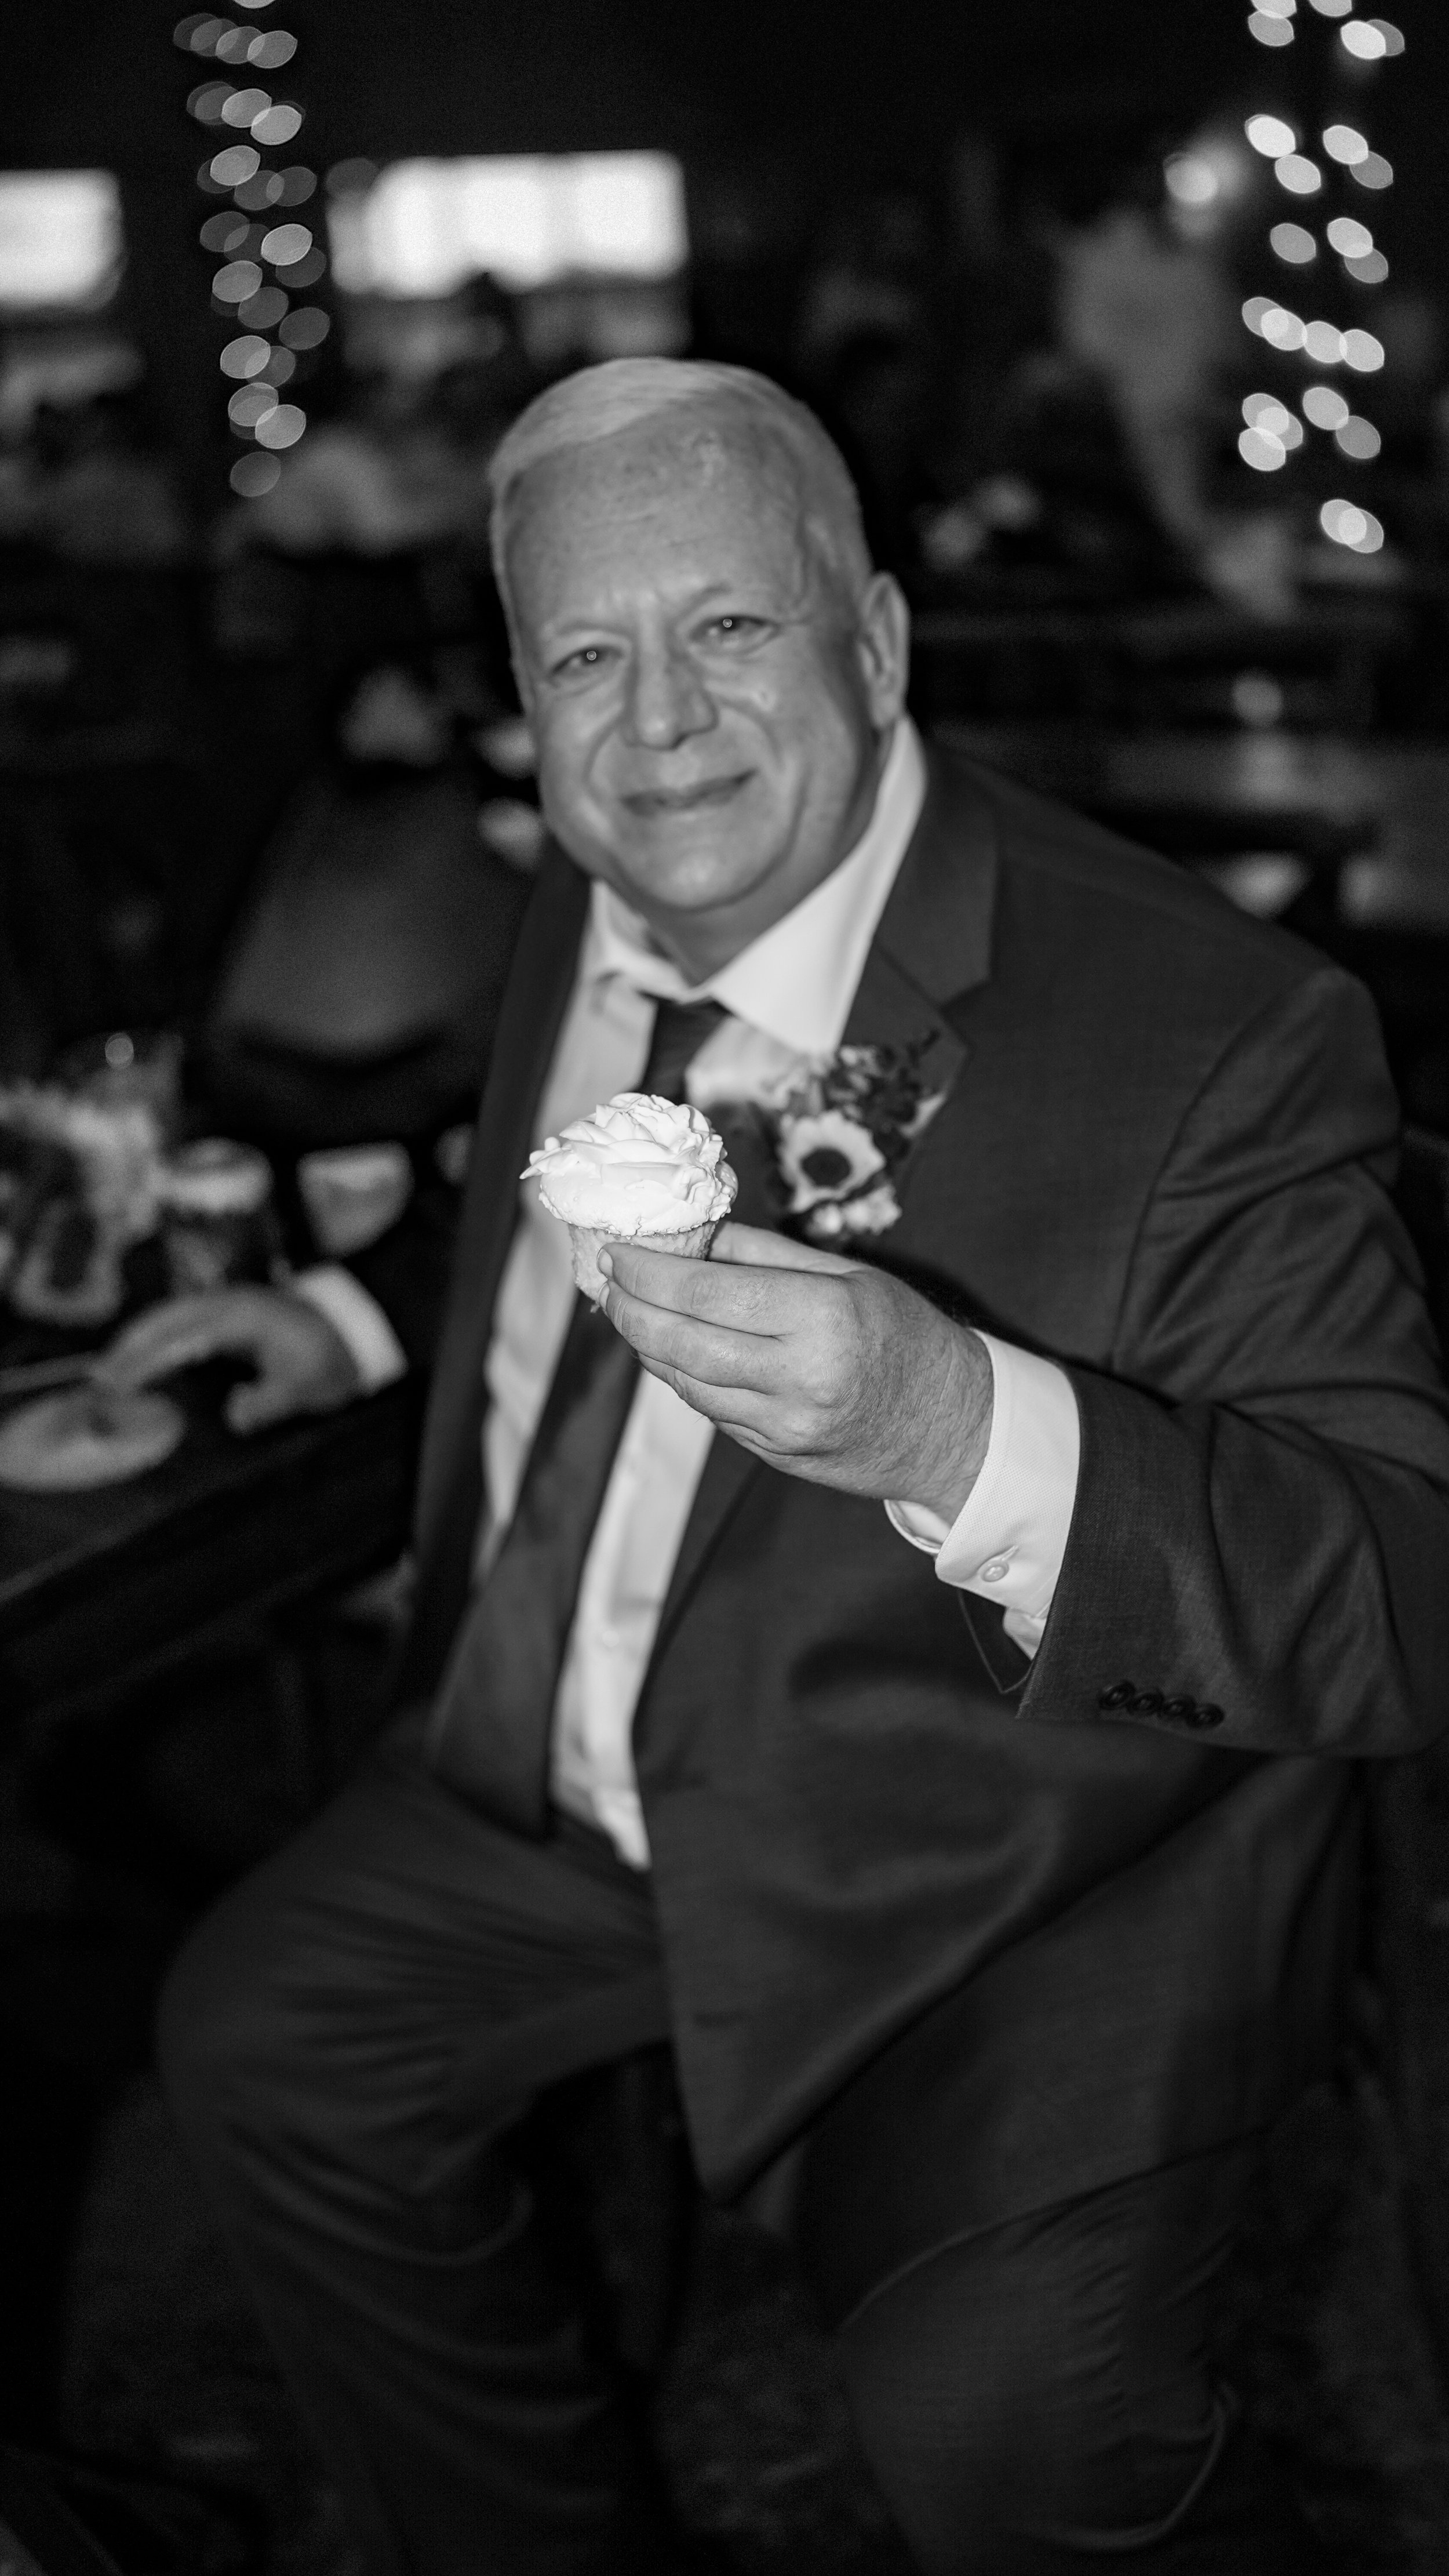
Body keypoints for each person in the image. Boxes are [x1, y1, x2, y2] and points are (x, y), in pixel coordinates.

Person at [103, 358, 1449, 2576]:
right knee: (259, 2042)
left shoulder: (1220, 1030)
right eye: (583, 657)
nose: (655, 728)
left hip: (1011, 1865)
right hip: (582, 1778)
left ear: (878, 637)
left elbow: (1404, 1587)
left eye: (727, 627)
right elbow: (539, 1175)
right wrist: (346, 1317)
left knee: (999, 2422)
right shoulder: (598, 877)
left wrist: (945, 1425)